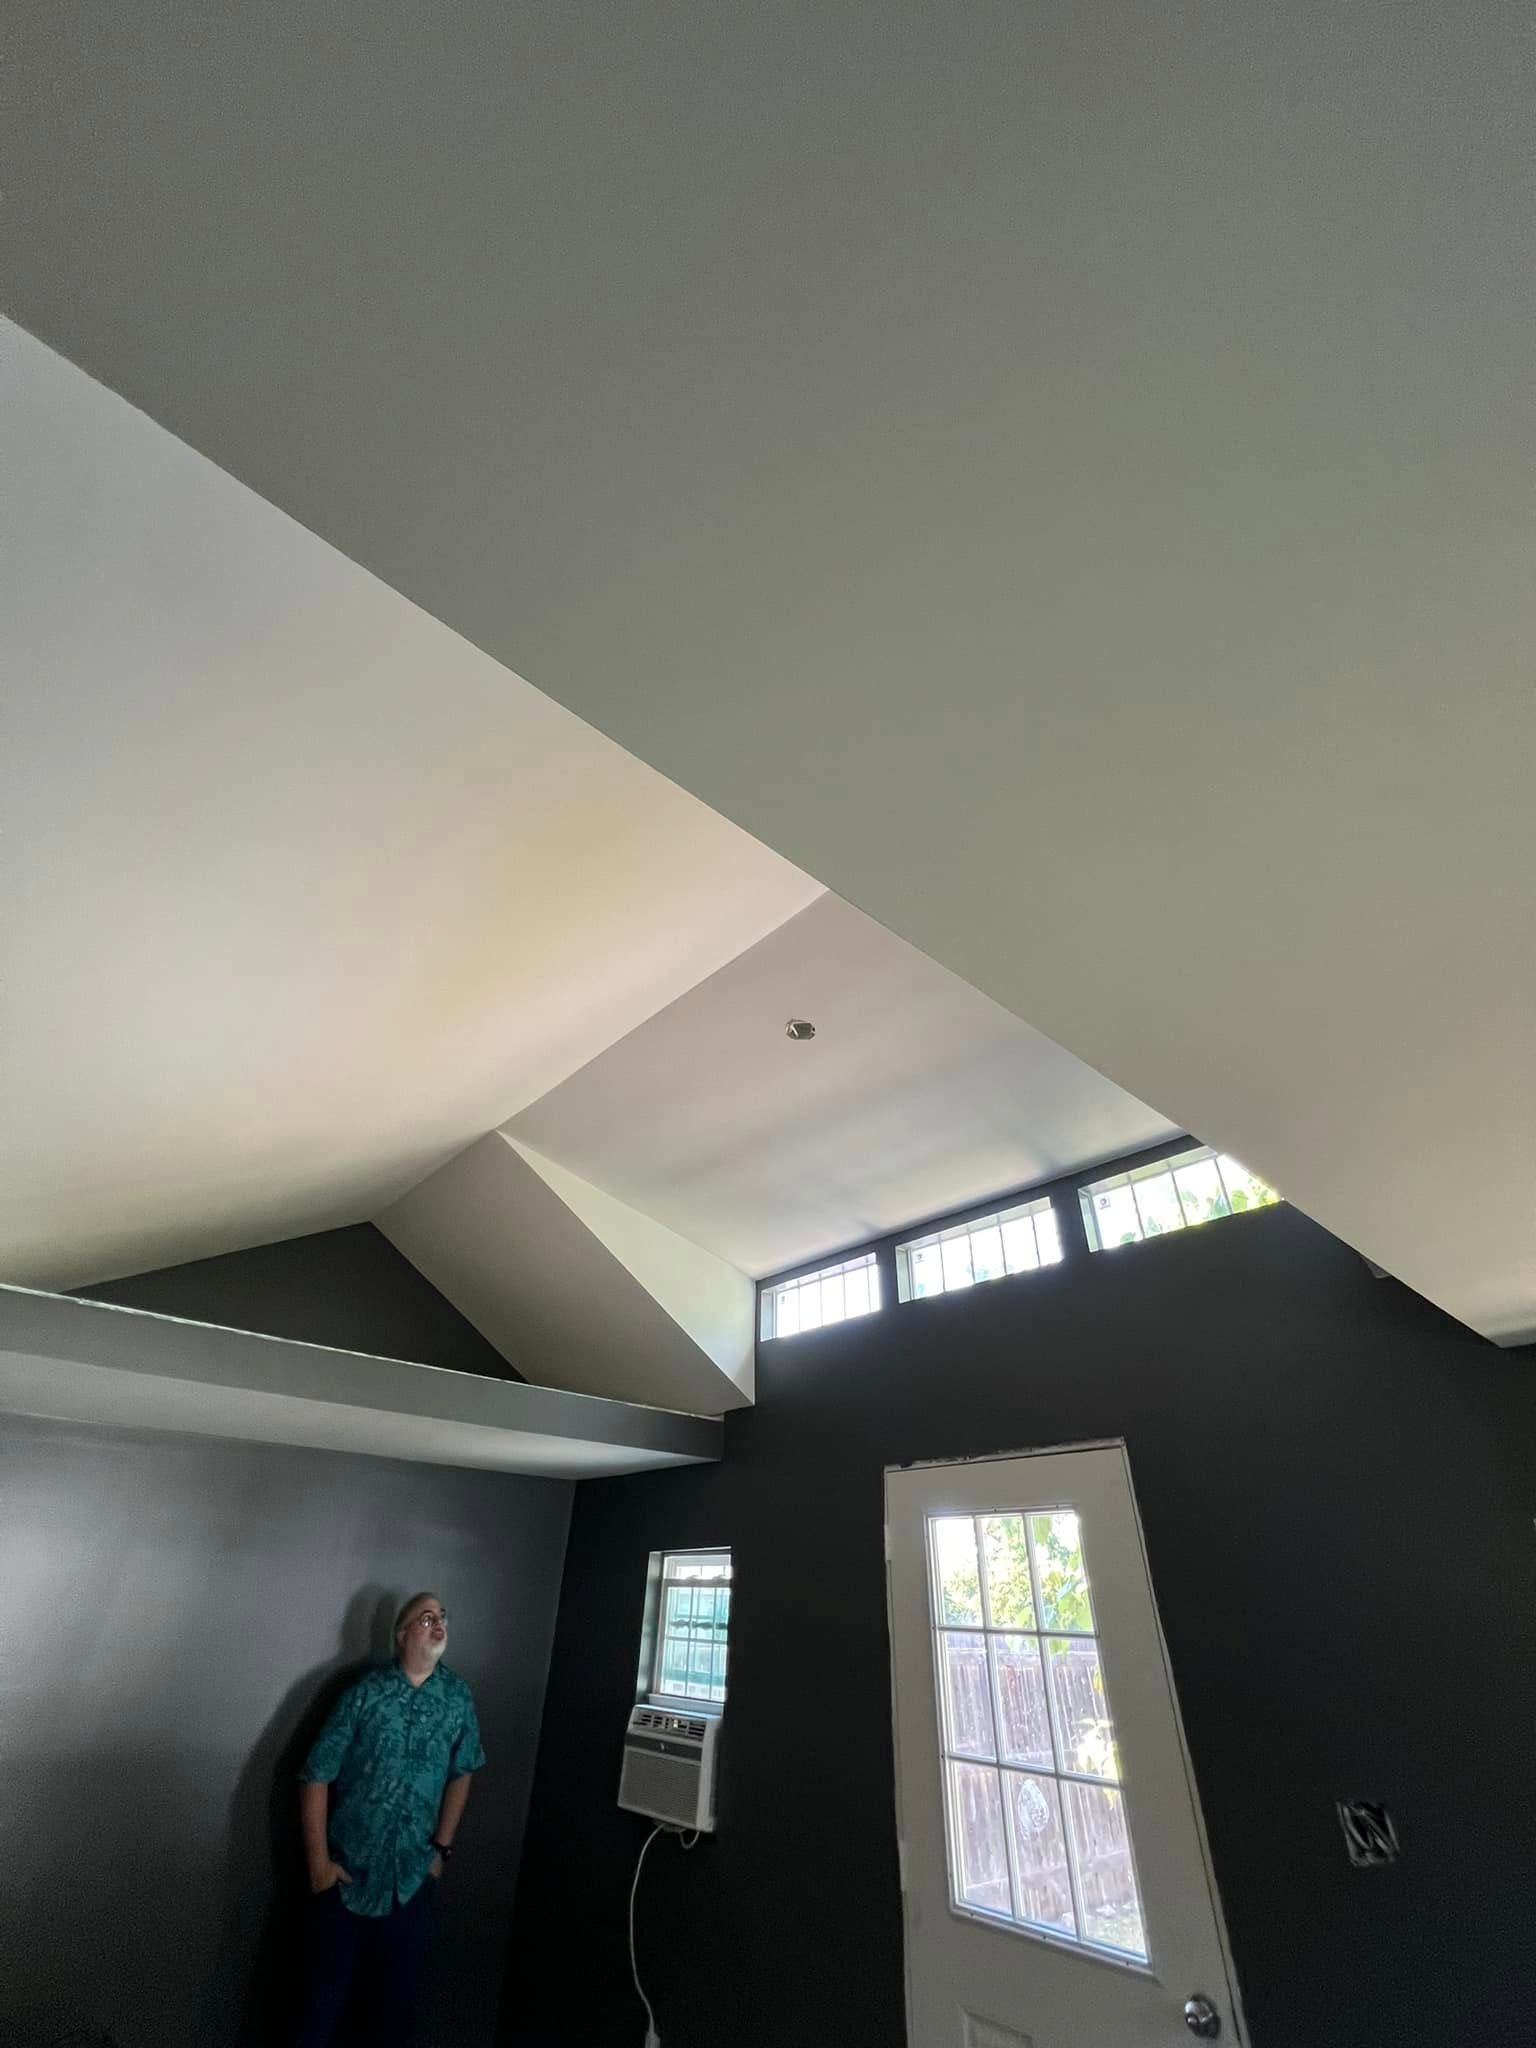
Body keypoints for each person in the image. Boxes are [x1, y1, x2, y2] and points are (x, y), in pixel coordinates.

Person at [292, 1591, 486, 2047]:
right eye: (424, 1618)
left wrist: (441, 1848)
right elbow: (315, 1775)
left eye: (441, 1615)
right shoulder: (364, 1695)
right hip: (348, 1880)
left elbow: (465, 1770)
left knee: (394, 2014)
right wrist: (319, 1867)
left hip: (411, 1882)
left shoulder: (456, 1697)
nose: (437, 1623)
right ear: (400, 1637)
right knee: (319, 2010)